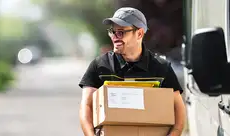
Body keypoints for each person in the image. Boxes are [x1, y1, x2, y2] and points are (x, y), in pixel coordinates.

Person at [78, 7, 186, 136]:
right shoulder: (100, 66)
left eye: (121, 32)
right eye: (112, 31)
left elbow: (178, 109)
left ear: (139, 33)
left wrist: (174, 134)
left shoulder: (161, 68)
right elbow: (86, 107)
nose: (114, 37)